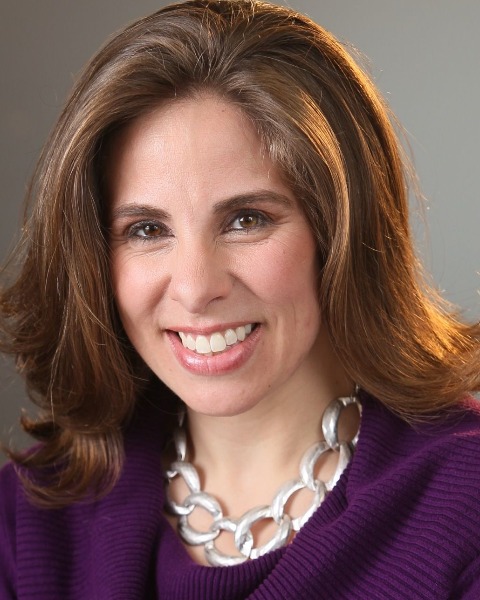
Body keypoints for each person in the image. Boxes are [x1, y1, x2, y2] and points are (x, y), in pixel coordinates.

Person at [1, 0, 479, 598]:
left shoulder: (466, 510)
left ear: (341, 231)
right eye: (147, 230)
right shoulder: (29, 520)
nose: (196, 287)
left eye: (246, 219)